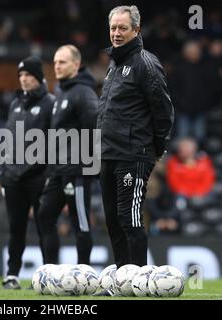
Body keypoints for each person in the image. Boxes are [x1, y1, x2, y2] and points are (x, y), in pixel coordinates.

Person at [97, 5, 174, 282]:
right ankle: (122, 277)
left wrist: (155, 148)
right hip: (107, 154)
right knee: (113, 221)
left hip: (133, 154)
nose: (116, 33)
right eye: (113, 28)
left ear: (136, 30)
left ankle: (139, 280)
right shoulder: (113, 65)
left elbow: (163, 111)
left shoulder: (145, 63)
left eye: (122, 28)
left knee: (129, 218)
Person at [37, 45, 99, 266]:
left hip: (78, 170)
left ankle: (84, 271)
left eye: (62, 62)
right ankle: (49, 271)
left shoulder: (84, 93)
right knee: (44, 216)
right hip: (58, 170)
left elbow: (96, 128)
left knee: (80, 223)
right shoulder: (61, 91)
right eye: (54, 62)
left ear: (76, 64)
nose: (56, 66)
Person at [0, 56, 55, 289]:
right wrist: (3, 172)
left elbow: (55, 142)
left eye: (28, 75)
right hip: (14, 178)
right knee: (16, 227)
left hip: (38, 176)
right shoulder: (15, 104)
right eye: (21, 76)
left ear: (39, 78)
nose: (23, 80)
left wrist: (50, 173)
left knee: (44, 226)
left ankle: (48, 275)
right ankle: (12, 274)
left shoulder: (50, 103)